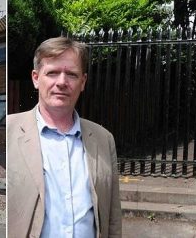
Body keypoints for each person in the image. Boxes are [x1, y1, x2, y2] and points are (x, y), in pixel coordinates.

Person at [7, 37, 122, 238]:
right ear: (36, 78)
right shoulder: (9, 131)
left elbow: (112, 218)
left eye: (71, 74)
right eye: (52, 73)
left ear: (83, 82)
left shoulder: (104, 140)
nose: (62, 82)